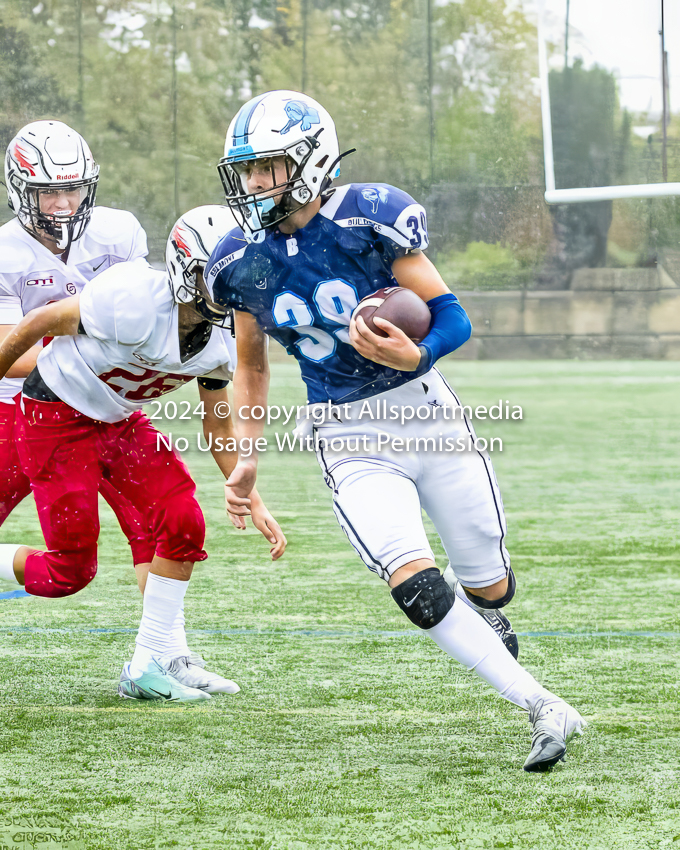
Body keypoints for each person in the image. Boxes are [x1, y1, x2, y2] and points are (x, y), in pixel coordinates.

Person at [206, 90, 585, 770]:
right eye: (249, 171)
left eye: (269, 167)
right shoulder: (240, 259)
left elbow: (453, 317)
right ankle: (541, 705)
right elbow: (250, 365)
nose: (256, 184)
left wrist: (420, 353)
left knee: (489, 583)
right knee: (411, 582)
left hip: (425, 411)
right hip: (345, 433)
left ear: (311, 159)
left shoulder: (368, 217)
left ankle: (486, 613)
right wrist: (248, 457)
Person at [0, 205, 286, 702]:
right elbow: (37, 324)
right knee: (70, 571)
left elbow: (217, 417)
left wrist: (250, 492)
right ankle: (158, 658)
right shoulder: (131, 297)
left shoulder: (226, 335)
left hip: (117, 418)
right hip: (54, 415)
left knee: (182, 520)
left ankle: (154, 660)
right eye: (216, 273)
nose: (232, 288)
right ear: (183, 268)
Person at [0, 120, 155, 590]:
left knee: (158, 525)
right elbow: (10, 351)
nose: (64, 204)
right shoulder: (6, 251)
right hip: (20, 408)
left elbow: (142, 322)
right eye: (48, 192)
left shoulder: (118, 231)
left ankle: (161, 653)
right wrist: (93, 349)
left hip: (104, 406)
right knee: (70, 567)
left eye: (72, 189)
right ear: (20, 189)